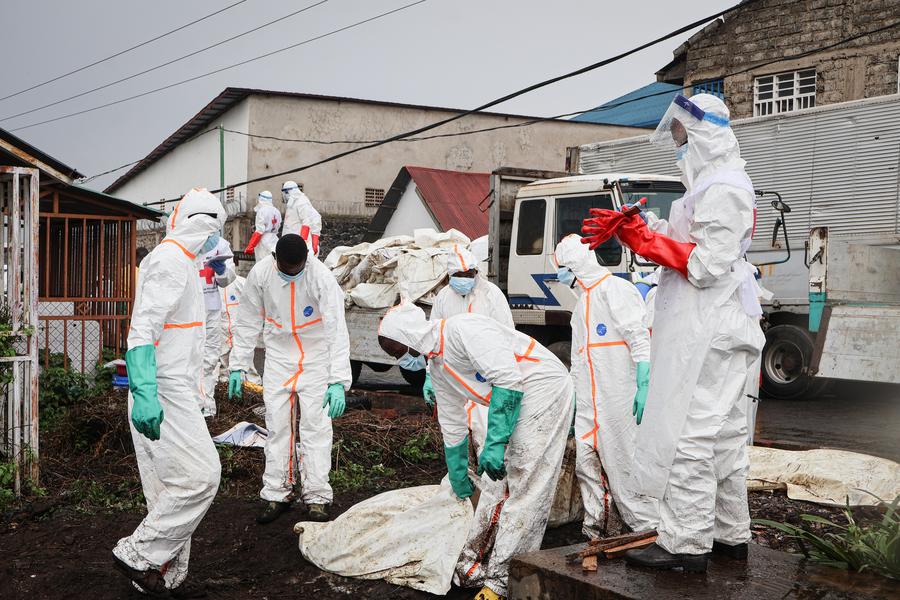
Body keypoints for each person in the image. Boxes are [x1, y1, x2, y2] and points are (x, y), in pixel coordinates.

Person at [581, 93, 765, 571]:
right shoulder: (709, 187)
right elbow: (689, 242)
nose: (677, 146)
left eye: (682, 137)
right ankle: (729, 535)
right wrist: (642, 227)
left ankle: (685, 547)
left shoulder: (724, 188)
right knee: (723, 435)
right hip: (714, 324)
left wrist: (645, 240)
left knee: (689, 434)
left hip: (711, 326)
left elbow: (705, 265)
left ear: (703, 135)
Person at [378, 303, 573, 600]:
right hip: (517, 396)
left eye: (398, 352)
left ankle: (503, 580)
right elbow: (452, 421)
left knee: (525, 481)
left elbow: (509, 379)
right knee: (494, 483)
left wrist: (495, 443)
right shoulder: (438, 366)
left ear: (409, 337)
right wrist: (457, 471)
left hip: (543, 387)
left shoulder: (464, 330)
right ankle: (474, 560)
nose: (402, 360)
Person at [112, 188, 225, 596]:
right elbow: (143, 329)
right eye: (215, 230)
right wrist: (144, 391)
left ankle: (159, 576)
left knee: (169, 493)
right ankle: (136, 555)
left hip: (171, 390)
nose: (216, 241)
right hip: (162, 391)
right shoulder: (170, 262)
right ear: (205, 225)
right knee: (202, 478)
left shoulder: (183, 263)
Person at [228, 234, 351, 524]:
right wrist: (237, 364)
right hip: (279, 356)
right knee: (277, 425)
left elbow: (336, 328)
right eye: (288, 269)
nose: (294, 274)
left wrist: (338, 381)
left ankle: (318, 497)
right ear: (276, 261)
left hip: (315, 355)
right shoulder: (260, 274)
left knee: (316, 426)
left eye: (299, 269)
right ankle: (276, 493)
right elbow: (246, 320)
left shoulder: (320, 276)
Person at [554, 234, 658, 537]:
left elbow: (639, 339)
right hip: (589, 405)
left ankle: (646, 528)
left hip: (618, 401)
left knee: (624, 465)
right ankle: (597, 527)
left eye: (562, 267)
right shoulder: (582, 303)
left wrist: (643, 382)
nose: (559, 274)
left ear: (574, 266)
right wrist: (574, 404)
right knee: (586, 464)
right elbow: (579, 361)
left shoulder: (616, 290)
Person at [426, 244, 513, 448]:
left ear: (476, 272)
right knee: (456, 427)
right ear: (450, 275)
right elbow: (434, 338)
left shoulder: (491, 294)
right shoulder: (443, 297)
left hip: (487, 373)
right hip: (455, 374)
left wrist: (499, 370)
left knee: (486, 427)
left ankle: (491, 474)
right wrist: (430, 376)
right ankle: (463, 474)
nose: (464, 278)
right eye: (459, 274)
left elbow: (506, 334)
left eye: (469, 274)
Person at [198, 237, 236, 417]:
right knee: (190, 356)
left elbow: (229, 277)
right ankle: (192, 405)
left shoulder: (221, 245)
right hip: (190, 309)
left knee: (210, 357)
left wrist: (221, 271)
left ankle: (207, 407)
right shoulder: (186, 240)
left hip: (212, 307)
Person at [217, 275, 262, 385]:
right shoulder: (207, 286)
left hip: (240, 334)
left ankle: (254, 387)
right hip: (220, 336)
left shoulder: (242, 283)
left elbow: (254, 309)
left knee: (246, 365)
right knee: (222, 369)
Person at [281, 181, 323, 257]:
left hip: (297, 243)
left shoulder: (302, 201)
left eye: (285, 192)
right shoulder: (292, 203)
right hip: (289, 242)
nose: (284, 195)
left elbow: (306, 222)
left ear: (290, 191)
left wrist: (301, 243)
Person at [243, 190, 281, 262]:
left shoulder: (262, 211)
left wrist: (250, 246)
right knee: (274, 262)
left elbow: (259, 231)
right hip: (274, 239)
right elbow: (278, 226)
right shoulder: (277, 211)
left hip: (263, 240)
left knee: (262, 263)